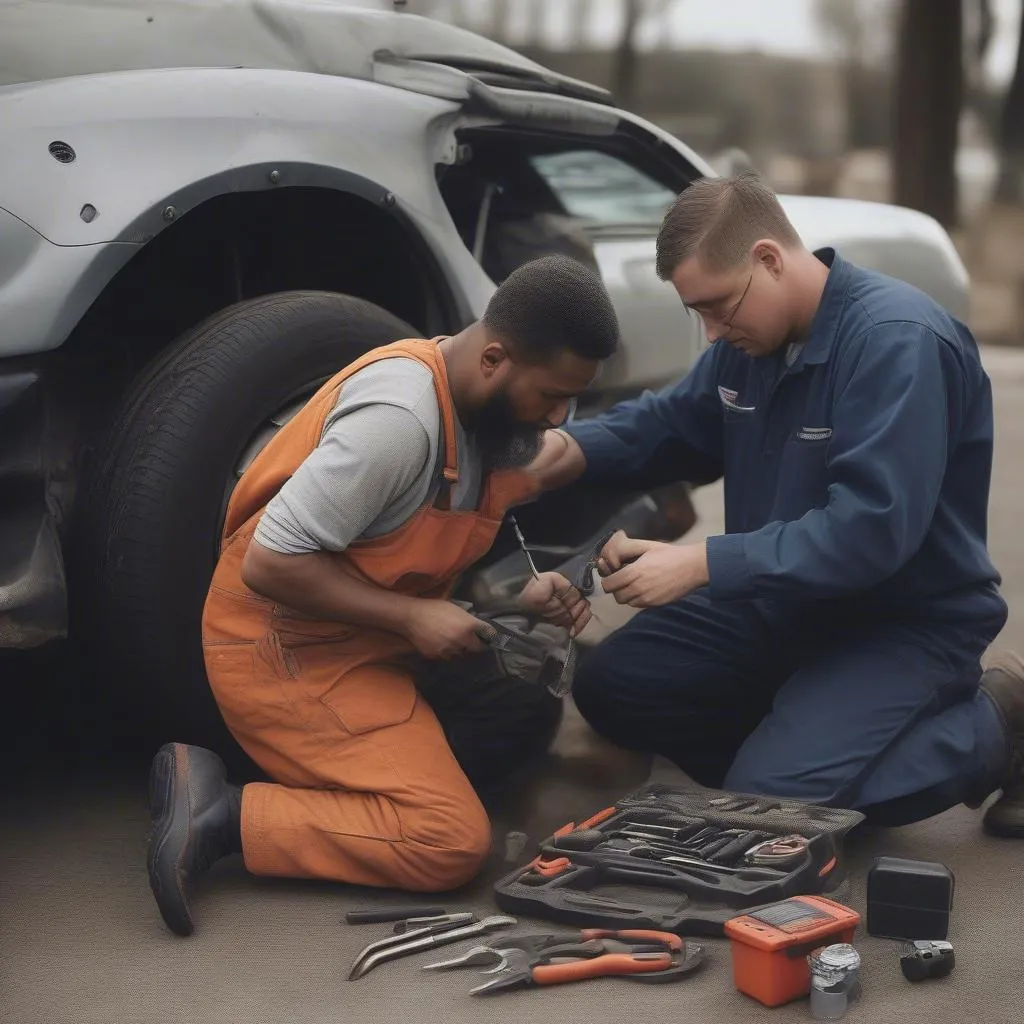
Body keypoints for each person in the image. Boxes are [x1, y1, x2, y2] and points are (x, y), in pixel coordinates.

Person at [529, 171, 1024, 835]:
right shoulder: (751, 340)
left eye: (718, 306)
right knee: (615, 683)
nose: (710, 332)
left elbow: (868, 533)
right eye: (695, 311)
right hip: (780, 603)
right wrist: (566, 450)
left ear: (767, 259)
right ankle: (800, 755)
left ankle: (996, 721)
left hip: (899, 623)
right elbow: (672, 424)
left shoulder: (897, 343)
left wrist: (702, 564)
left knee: (767, 813)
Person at [146, 254, 619, 936]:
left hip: (373, 638)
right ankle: (222, 811)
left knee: (522, 709)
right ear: (493, 360)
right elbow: (271, 565)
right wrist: (411, 617)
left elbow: (428, 544)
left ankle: (363, 784)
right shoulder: (398, 423)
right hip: (285, 652)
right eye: (550, 396)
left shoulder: (482, 414)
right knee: (450, 843)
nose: (557, 416)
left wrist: (521, 596)